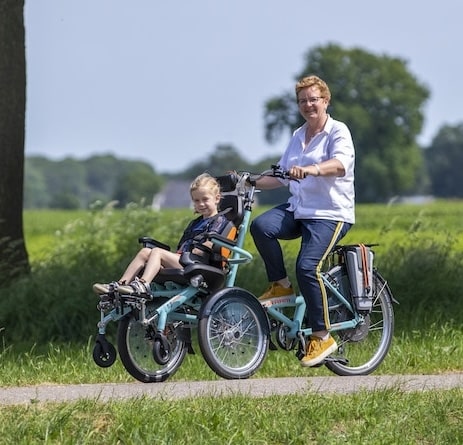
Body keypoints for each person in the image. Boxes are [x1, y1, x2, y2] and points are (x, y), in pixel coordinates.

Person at [250, 75, 355, 368]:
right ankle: (281, 285)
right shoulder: (298, 135)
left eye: (313, 99)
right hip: (300, 209)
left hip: (330, 213)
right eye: (303, 101)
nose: (308, 105)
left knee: (308, 266)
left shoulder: (338, 131)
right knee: (261, 226)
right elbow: (282, 174)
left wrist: (311, 169)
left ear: (325, 101)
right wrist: (250, 181)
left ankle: (321, 336)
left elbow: (340, 164)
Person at [93, 173, 229, 296]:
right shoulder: (195, 223)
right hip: (185, 259)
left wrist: (200, 247)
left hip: (199, 264)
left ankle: (142, 285)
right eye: (196, 201)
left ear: (216, 198)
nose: (201, 204)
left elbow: (213, 242)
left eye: (205, 199)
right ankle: (119, 286)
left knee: (157, 252)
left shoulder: (219, 221)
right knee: (145, 251)